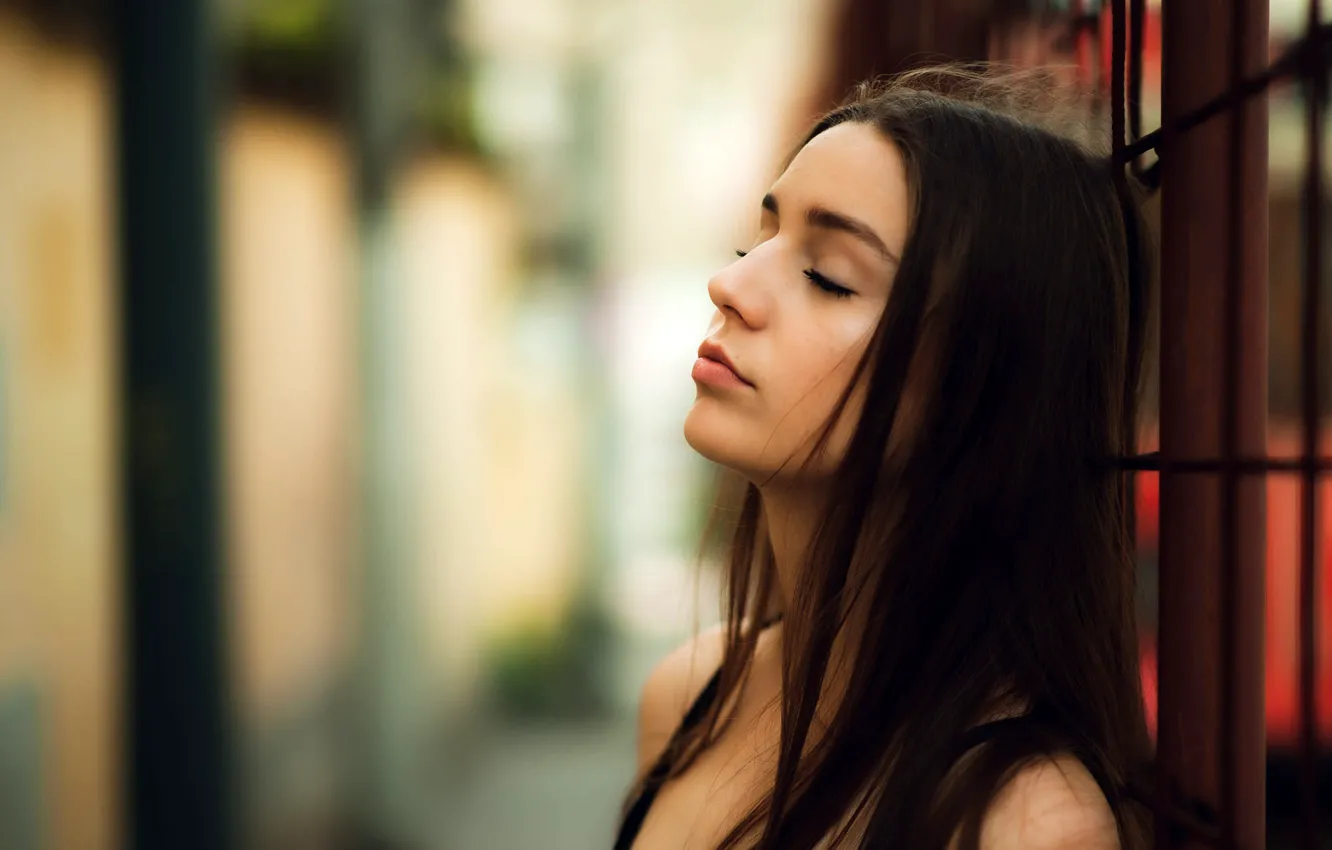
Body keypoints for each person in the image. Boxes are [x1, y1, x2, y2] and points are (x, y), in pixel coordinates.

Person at [614, 68, 1155, 850]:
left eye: (827, 278)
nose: (729, 284)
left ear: (983, 385)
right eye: (757, 240)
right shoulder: (691, 696)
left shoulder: (1020, 820)